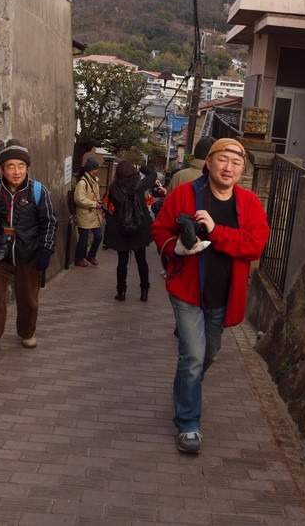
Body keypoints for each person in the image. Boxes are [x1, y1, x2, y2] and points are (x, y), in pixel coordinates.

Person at [151, 137, 270, 454]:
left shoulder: (249, 204)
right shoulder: (185, 195)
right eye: (223, 159)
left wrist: (216, 232)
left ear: (242, 169)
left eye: (236, 162)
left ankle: (184, 391)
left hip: (223, 295)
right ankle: (188, 425)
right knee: (191, 357)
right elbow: (161, 230)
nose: (228, 167)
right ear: (208, 162)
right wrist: (175, 248)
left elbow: (254, 245)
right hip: (187, 291)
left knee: (208, 355)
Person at [0, 140, 57, 367]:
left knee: (29, 302)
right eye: (10, 166)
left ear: (27, 167)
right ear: (2, 168)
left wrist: (45, 250)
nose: (16, 171)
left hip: (28, 256)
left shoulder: (39, 191)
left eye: (21, 165)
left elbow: (49, 222)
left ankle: (27, 332)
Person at [104, 161, 158, 302]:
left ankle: (121, 292)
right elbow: (153, 174)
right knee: (142, 261)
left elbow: (112, 208)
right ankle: (144, 290)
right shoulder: (139, 186)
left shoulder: (113, 188)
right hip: (139, 228)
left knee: (122, 262)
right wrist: (142, 168)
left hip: (122, 228)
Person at [74, 157, 104, 267]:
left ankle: (91, 255)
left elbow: (96, 195)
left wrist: (99, 204)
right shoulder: (83, 182)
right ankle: (79, 258)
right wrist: (93, 204)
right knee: (83, 239)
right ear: (93, 169)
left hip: (93, 214)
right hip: (85, 214)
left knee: (99, 236)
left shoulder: (94, 181)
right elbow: (79, 199)